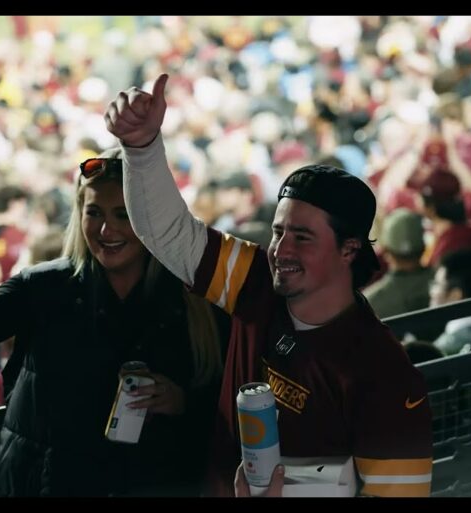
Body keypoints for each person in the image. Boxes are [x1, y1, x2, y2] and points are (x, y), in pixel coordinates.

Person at [105, 74, 432, 497]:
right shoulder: (254, 280)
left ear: (349, 250)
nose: (280, 249)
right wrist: (142, 148)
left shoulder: (383, 372)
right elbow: (168, 233)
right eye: (279, 232)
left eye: (302, 237)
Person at [0, 149, 225, 496]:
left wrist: (183, 401)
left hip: (157, 483)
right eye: (94, 212)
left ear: (151, 218)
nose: (106, 229)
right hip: (49, 483)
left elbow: (230, 397)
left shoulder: (195, 300)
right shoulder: (42, 286)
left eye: (124, 214)